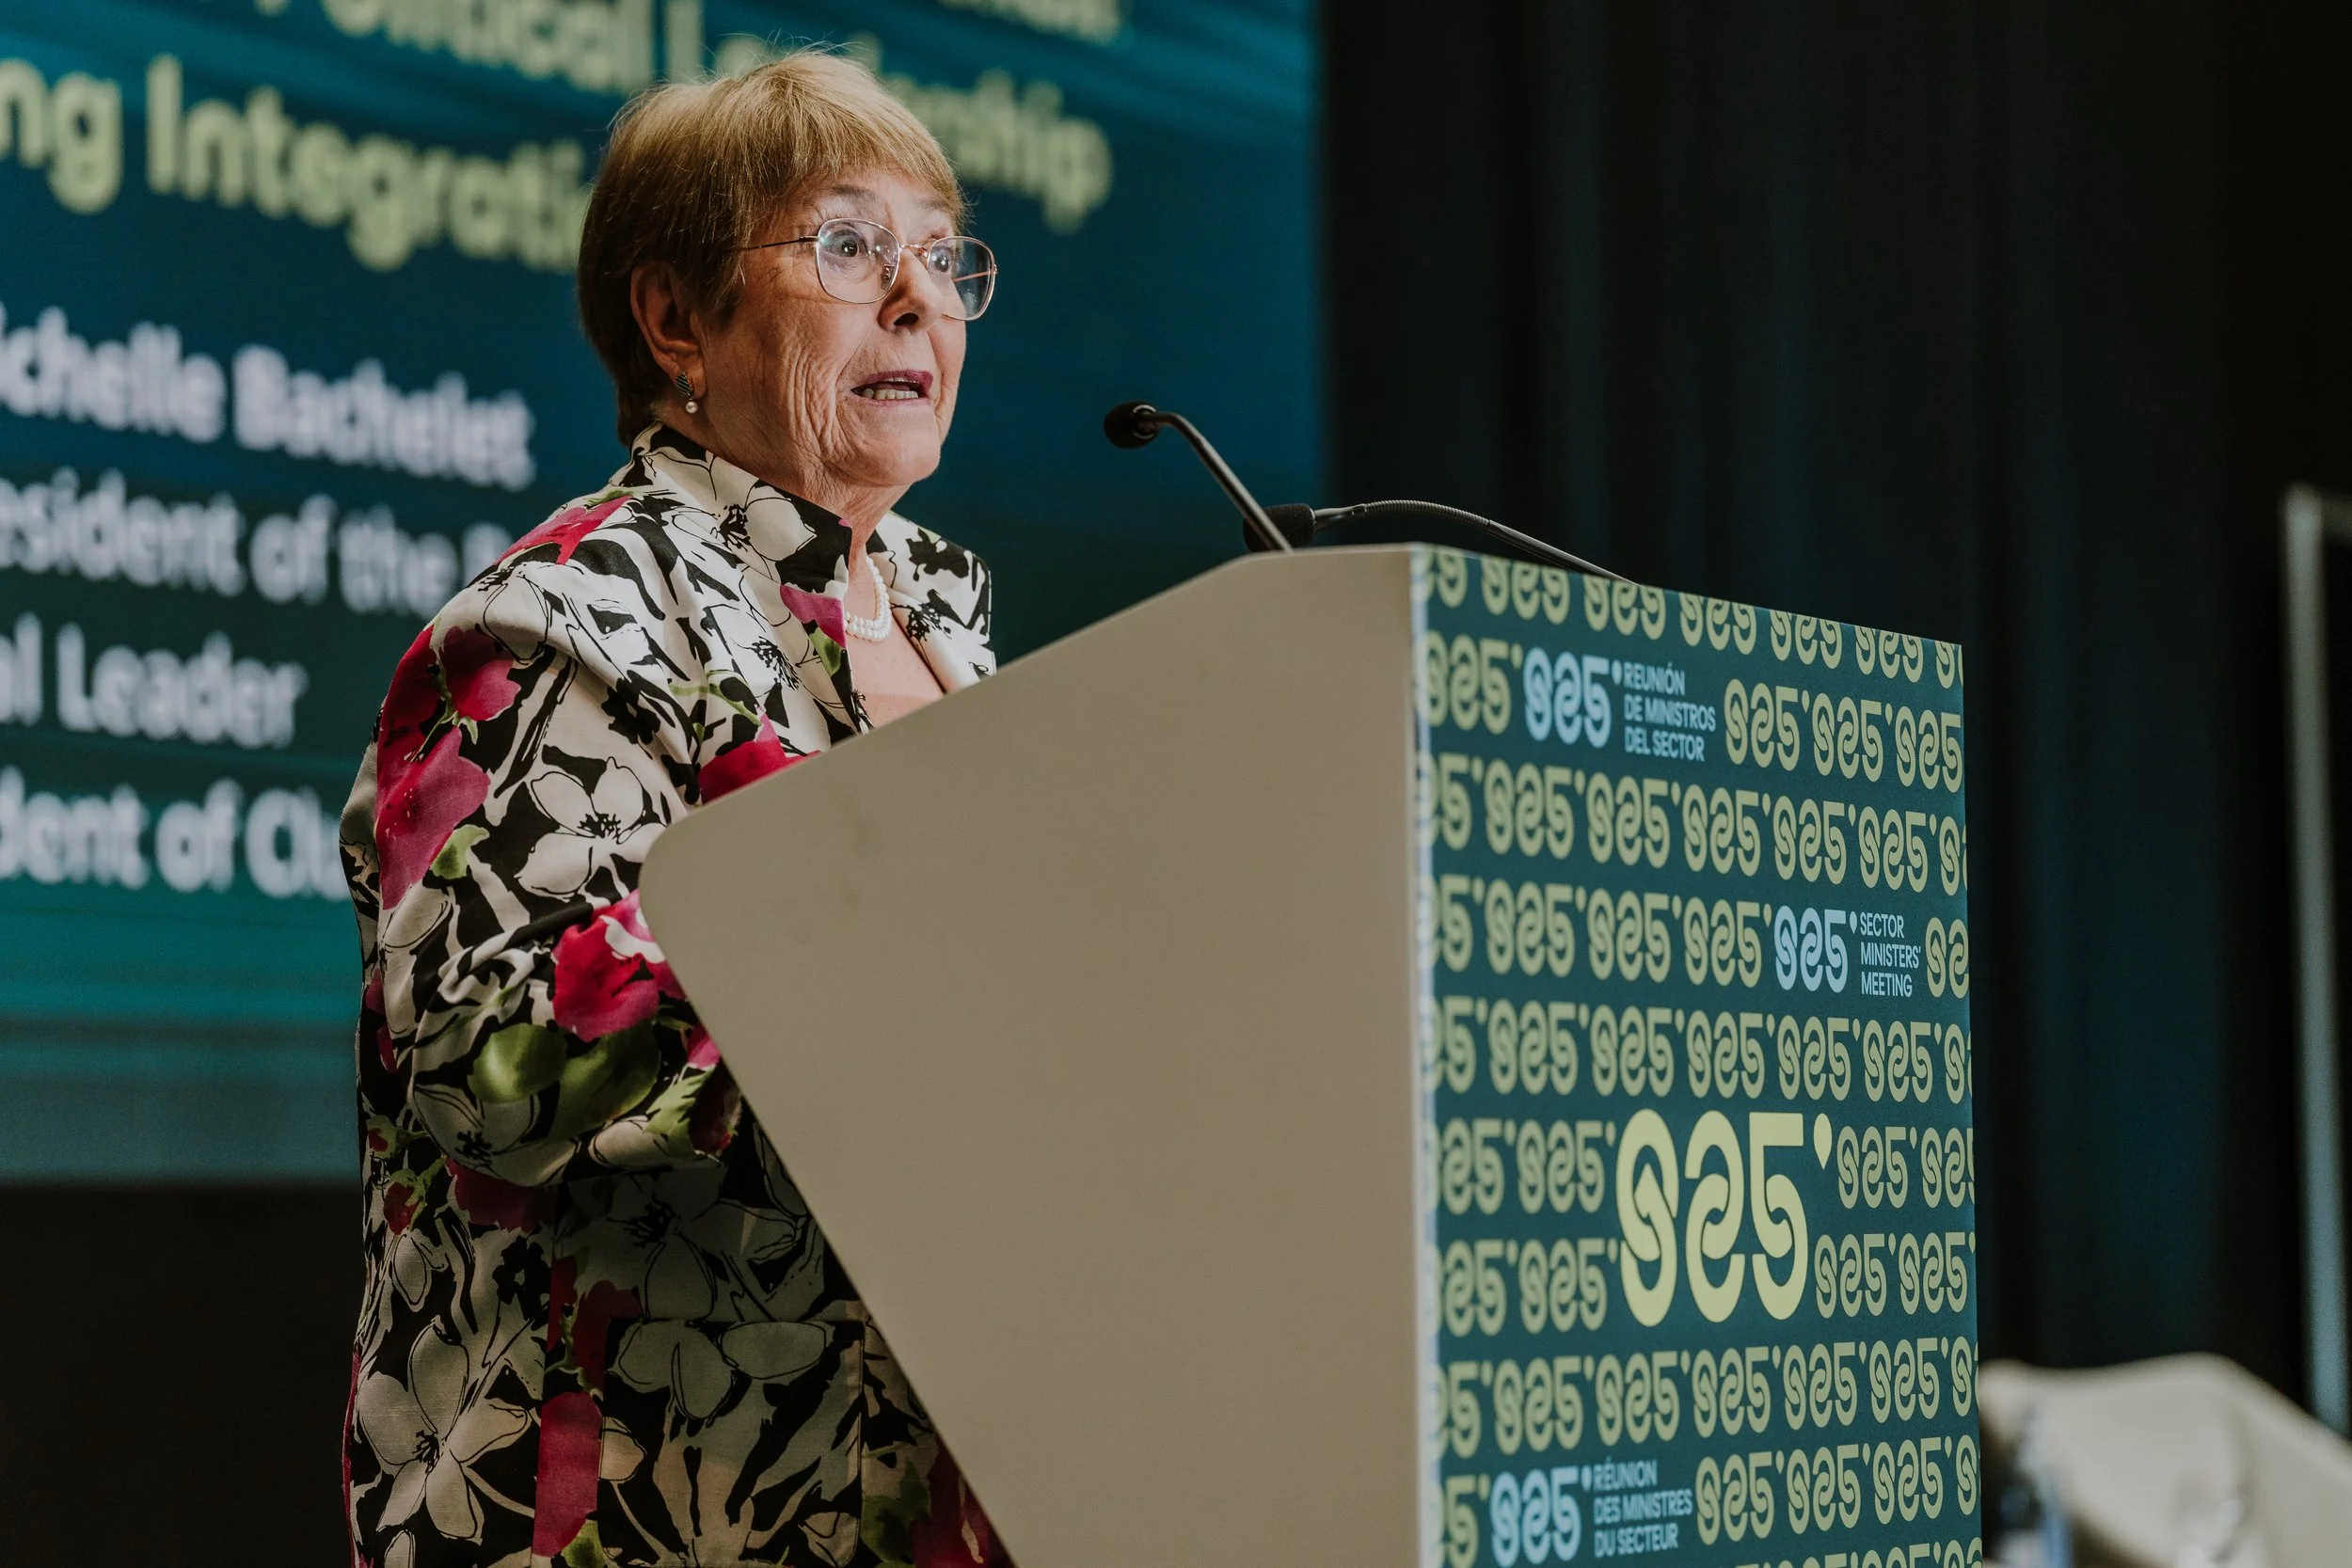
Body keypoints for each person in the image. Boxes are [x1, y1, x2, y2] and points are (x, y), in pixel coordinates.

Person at [339, 50, 1008, 1568]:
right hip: (656, 1504)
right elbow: (489, 1052)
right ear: (674, 318)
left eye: (942, 255)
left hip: (936, 1490)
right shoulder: (554, 627)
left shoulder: (950, 623)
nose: (917, 297)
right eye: (848, 245)